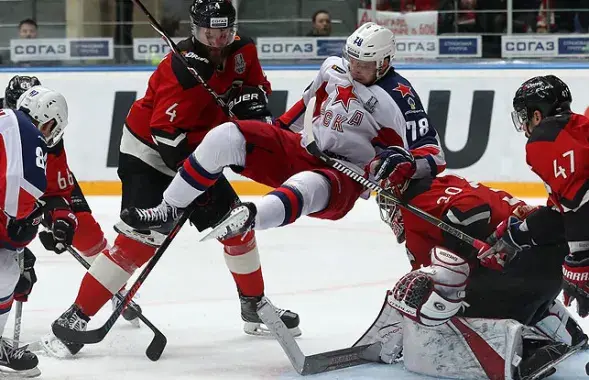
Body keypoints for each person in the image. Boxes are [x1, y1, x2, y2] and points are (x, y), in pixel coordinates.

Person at [47, 0, 300, 359]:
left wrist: (252, 102)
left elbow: (257, 86)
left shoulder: (243, 50)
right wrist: (189, 185)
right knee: (139, 240)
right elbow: (164, 132)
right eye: (208, 33)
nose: (217, 40)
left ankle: (253, 304)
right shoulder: (179, 69)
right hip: (149, 152)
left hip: (201, 154)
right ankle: (77, 316)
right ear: (194, 30)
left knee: (237, 227)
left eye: (224, 31)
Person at [119, 22, 445, 276]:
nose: (354, 69)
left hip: (345, 175)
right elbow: (305, 106)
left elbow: (432, 155)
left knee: (305, 186)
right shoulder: (333, 68)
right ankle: (168, 208)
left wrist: (400, 161)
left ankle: (249, 219)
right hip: (303, 148)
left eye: (364, 65)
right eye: (352, 60)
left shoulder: (399, 96)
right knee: (226, 136)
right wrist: (271, 133)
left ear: (385, 62)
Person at [353, 173, 586, 379]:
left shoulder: (419, 200)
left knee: (448, 312)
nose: (390, 213)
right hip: (546, 261)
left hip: (524, 260)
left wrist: (466, 254)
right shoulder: (448, 183)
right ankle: (559, 325)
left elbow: (471, 211)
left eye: (388, 204)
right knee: (469, 293)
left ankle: (529, 350)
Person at [484, 74, 589, 321]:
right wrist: (518, 233)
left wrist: (582, 256)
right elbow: (560, 214)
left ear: (537, 115)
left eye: (524, 115)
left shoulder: (544, 137)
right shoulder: (577, 128)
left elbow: (581, 200)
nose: (524, 125)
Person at [0, 85, 68, 376]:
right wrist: (24, 234)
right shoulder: (26, 130)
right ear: (49, 118)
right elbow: (18, 196)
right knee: (5, 268)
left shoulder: (8, 119)